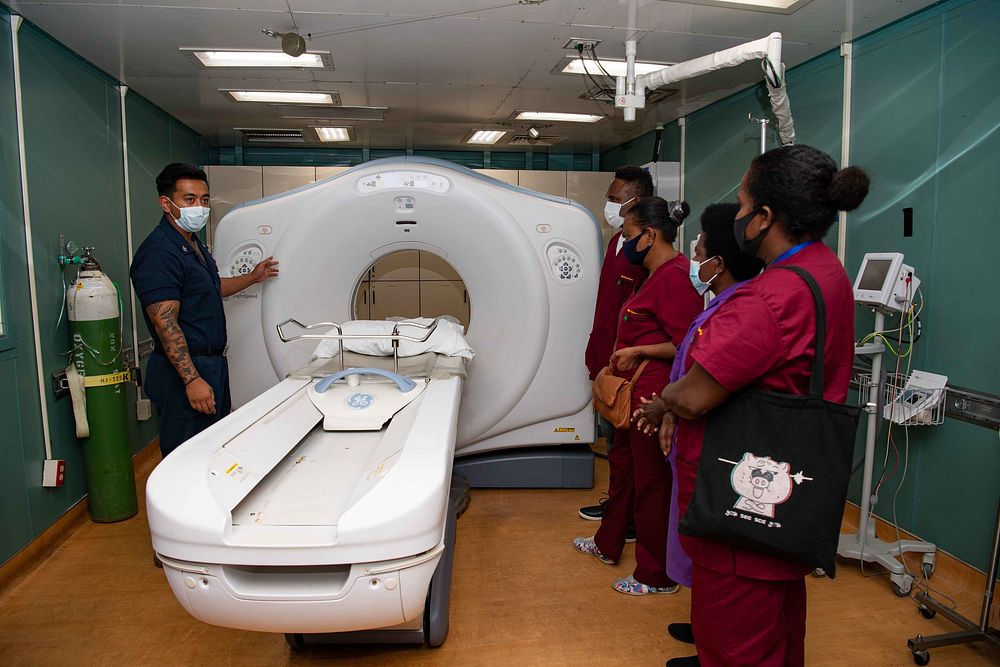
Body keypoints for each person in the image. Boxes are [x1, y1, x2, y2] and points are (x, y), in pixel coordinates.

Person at [652, 145, 869, 666]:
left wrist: (664, 402)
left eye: (744, 204)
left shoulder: (770, 298)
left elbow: (694, 394)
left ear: (765, 217)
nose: (739, 214)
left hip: (742, 507)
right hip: (787, 495)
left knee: (734, 646)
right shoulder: (826, 271)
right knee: (778, 634)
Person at [634, 203, 764, 667]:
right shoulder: (719, 306)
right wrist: (668, 410)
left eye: (702, 248)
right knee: (696, 546)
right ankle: (704, 629)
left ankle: (714, 643)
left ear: (720, 262)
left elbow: (701, 385)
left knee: (714, 554)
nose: (696, 256)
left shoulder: (741, 311)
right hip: (691, 441)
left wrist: (663, 404)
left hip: (714, 446)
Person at [573, 196, 703, 596]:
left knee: (652, 487)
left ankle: (656, 575)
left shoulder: (676, 276)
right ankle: (608, 543)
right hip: (631, 395)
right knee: (624, 474)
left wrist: (640, 351)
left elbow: (686, 344)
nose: (624, 242)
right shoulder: (650, 273)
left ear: (649, 234)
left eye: (628, 234)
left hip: (653, 398)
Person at [130, 163, 279, 459]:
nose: (199, 207)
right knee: (185, 455)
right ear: (166, 203)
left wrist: (252, 276)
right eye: (189, 199)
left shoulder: (192, 245)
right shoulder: (160, 252)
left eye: (204, 199)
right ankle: (178, 504)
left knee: (212, 449)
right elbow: (165, 322)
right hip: (183, 371)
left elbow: (210, 288)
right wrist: (192, 379)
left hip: (210, 366)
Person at [579, 166, 653, 522]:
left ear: (636, 201)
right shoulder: (616, 243)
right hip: (604, 359)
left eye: (614, 198)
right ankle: (618, 504)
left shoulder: (645, 253)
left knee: (625, 445)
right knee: (613, 442)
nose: (608, 204)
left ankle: (625, 512)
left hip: (627, 366)